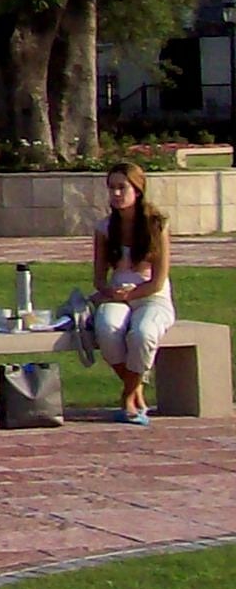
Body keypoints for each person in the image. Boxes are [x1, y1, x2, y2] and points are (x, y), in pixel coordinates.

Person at [86, 160, 175, 425]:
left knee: (143, 334)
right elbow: (99, 279)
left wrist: (133, 293)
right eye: (111, 188)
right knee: (107, 328)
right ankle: (136, 391)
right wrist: (111, 291)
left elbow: (158, 282)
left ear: (137, 189)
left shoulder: (157, 225)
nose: (115, 194)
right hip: (117, 295)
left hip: (151, 296)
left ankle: (128, 395)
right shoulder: (104, 228)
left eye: (121, 187)